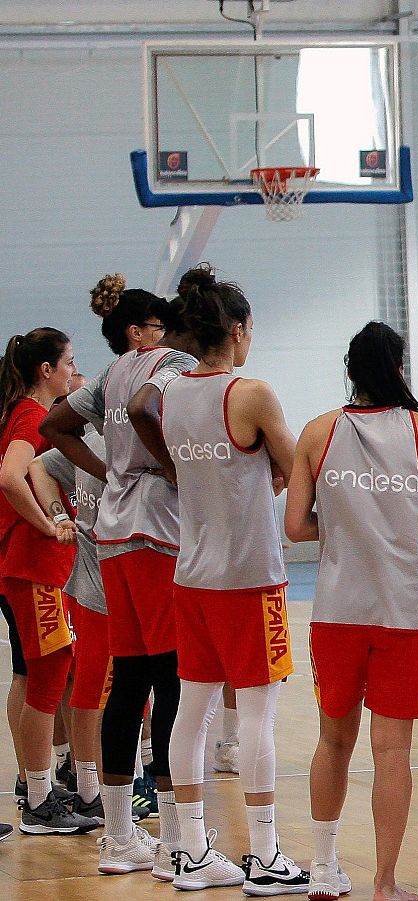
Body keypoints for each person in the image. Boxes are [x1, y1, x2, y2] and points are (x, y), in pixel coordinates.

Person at [287, 321, 418, 901]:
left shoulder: (317, 432)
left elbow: (294, 526)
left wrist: (338, 530)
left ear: (350, 369)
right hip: (402, 611)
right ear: (398, 367)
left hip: (336, 610)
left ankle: (325, 867)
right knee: (393, 752)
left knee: (332, 740)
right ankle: (384, 884)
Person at [153, 269, 305, 892]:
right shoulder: (251, 392)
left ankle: (189, 849)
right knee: (259, 716)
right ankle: (265, 855)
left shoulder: (173, 394)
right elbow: (295, 468)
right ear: (238, 331)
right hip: (249, 578)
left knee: (192, 710)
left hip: (192, 574)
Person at [44, 272, 200, 876]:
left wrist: (108, 470)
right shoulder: (172, 363)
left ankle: (117, 838)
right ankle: (176, 836)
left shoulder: (108, 374)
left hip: (111, 536)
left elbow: (55, 426)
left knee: (130, 679)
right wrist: (170, 466)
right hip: (157, 531)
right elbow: (144, 411)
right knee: (169, 678)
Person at [0, 327, 98, 835]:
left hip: (28, 567)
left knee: (31, 676)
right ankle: (38, 801)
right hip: (33, 566)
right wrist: (47, 523)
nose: (71, 369)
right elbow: (10, 475)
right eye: (69, 361)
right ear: (47, 370)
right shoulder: (33, 417)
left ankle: (33, 780)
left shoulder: (26, 413)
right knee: (47, 678)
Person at [30, 401, 110, 829]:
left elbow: (38, 467)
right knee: (91, 684)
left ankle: (100, 784)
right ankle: (90, 788)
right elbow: (32, 468)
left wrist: (60, 516)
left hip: (106, 578)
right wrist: (58, 516)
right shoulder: (90, 443)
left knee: (103, 685)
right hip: (100, 579)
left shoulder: (95, 442)